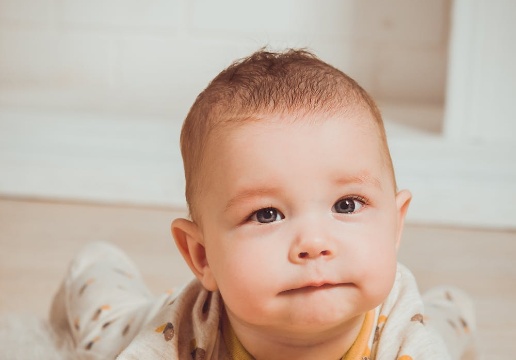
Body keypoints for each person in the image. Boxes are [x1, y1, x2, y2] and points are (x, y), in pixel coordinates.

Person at [49, 49, 475, 360]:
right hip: (144, 320)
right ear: (202, 256)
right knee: (103, 334)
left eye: (347, 204)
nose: (313, 243)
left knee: (442, 332)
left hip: (416, 324)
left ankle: (451, 308)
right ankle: (96, 266)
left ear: (395, 227)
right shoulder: (179, 335)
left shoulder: (404, 336)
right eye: (266, 214)